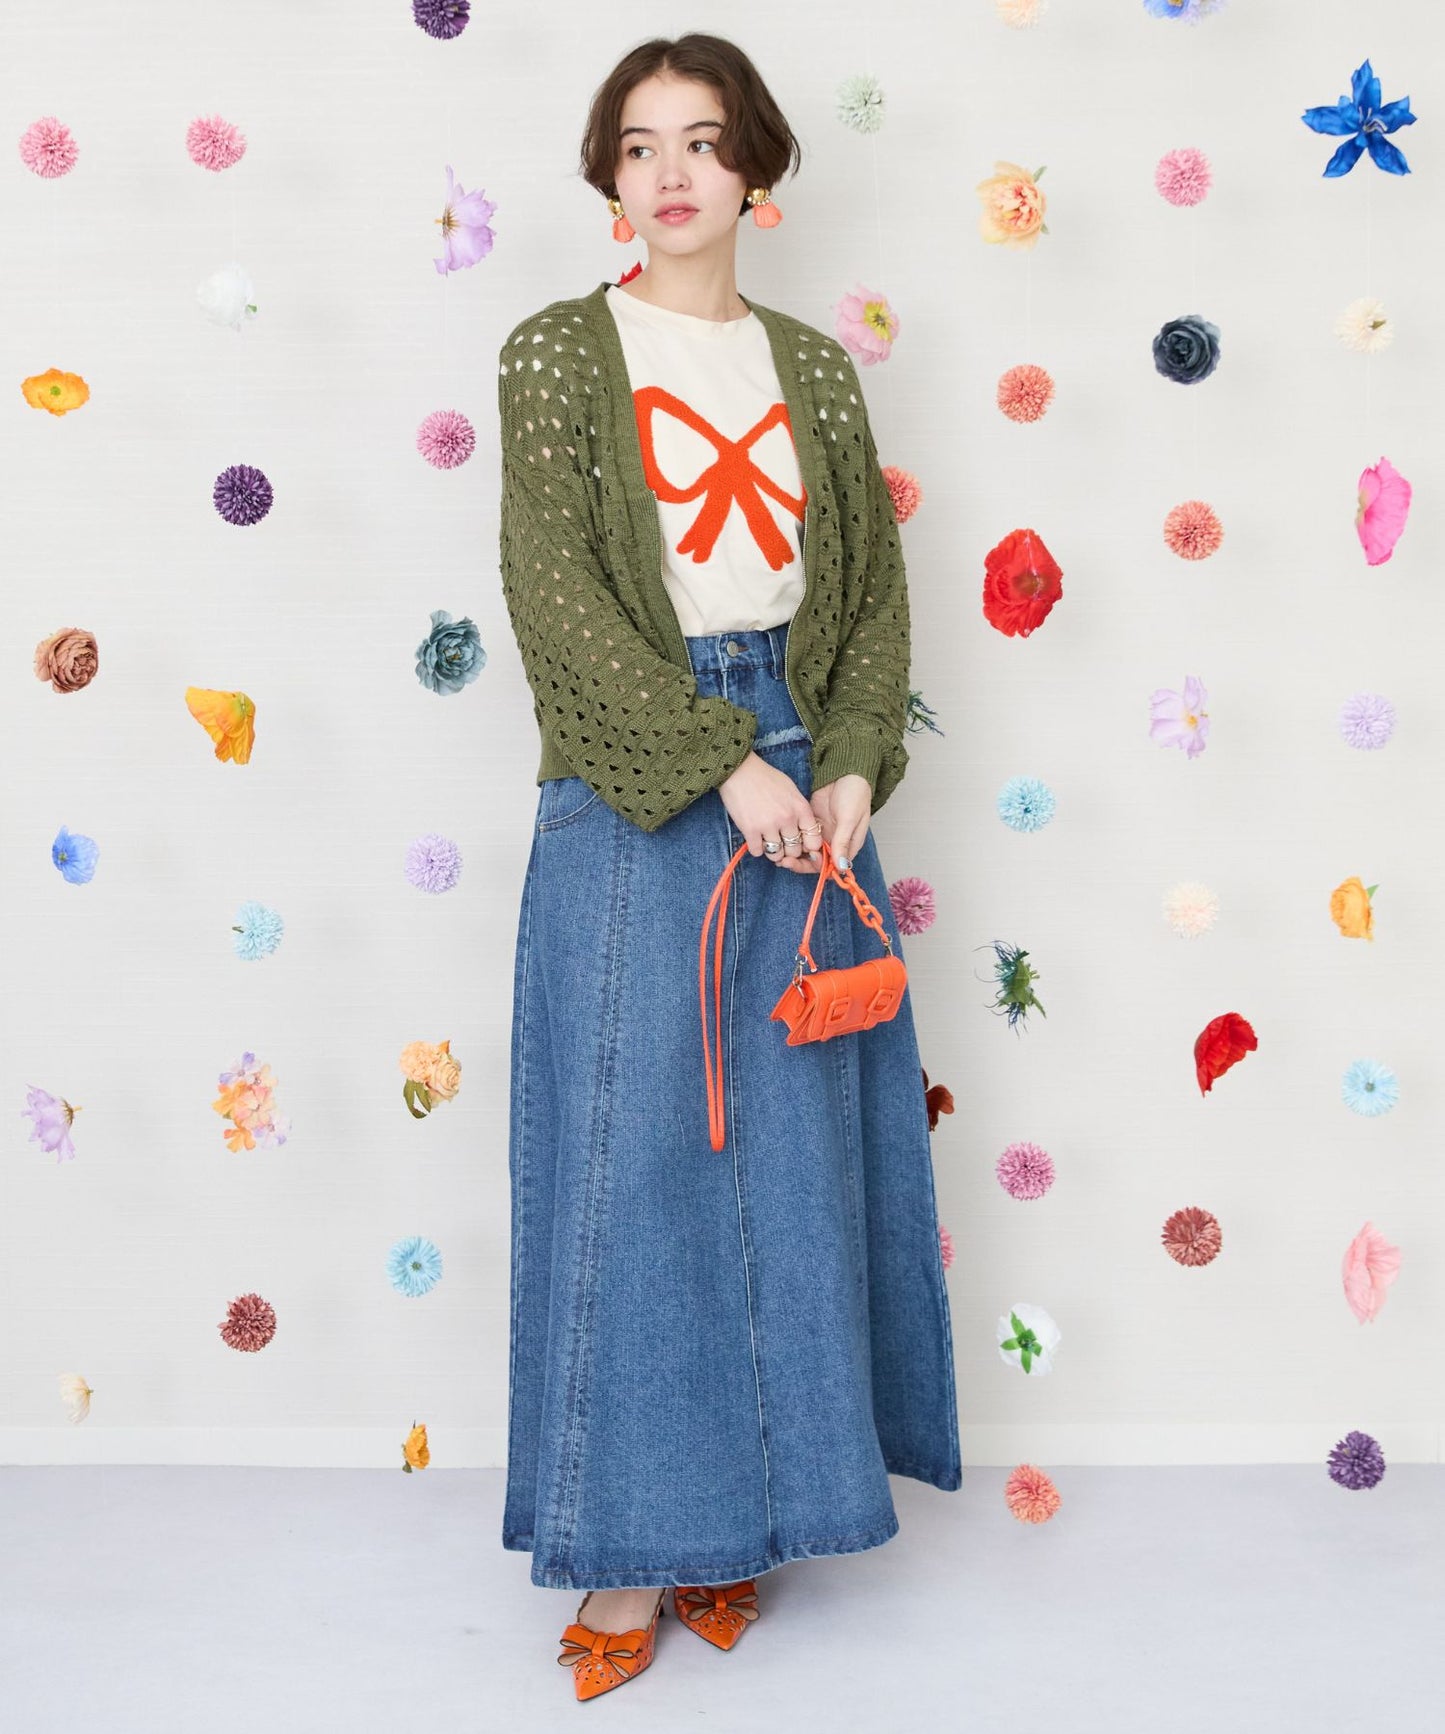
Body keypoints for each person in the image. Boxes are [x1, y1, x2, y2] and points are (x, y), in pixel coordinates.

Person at [494, 32, 962, 1704]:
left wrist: (845, 763)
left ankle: (738, 1522)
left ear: (754, 168)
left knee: (784, 1156)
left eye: (701, 141)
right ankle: (625, 1547)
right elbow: (554, 594)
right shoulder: (558, 354)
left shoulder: (812, 370)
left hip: (804, 767)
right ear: (609, 177)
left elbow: (871, 596)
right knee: (634, 1155)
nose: (671, 172)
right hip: (640, 766)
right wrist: (720, 765)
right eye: (640, 146)